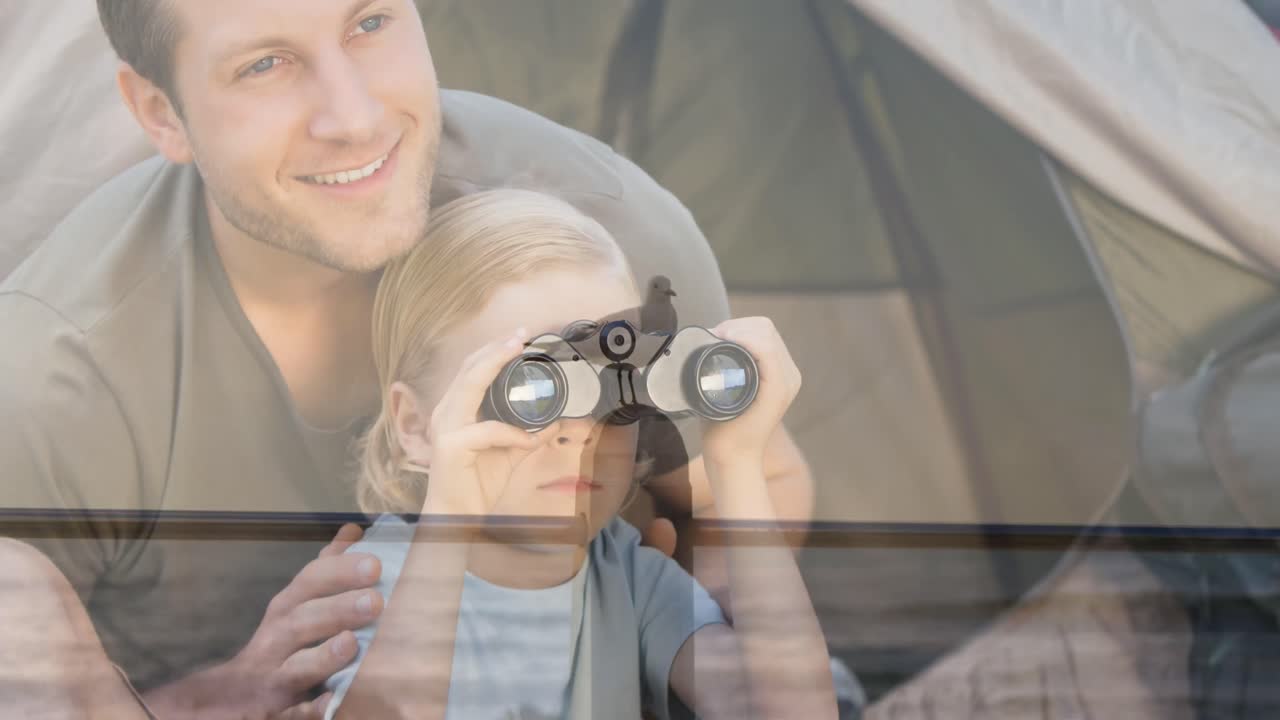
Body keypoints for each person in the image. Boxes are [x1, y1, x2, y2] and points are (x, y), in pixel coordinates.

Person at [0, 0, 815, 716]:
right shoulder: (56, 377)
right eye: (265, 64)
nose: (353, 117)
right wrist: (210, 701)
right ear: (160, 111)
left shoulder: (605, 244)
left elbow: (747, 494)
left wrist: (643, 613)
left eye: (371, 21)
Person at [321, 188, 834, 718]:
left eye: (617, 389)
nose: (580, 431)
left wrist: (736, 464)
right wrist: (449, 523)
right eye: (532, 392)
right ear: (417, 426)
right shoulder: (370, 580)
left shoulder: (629, 578)